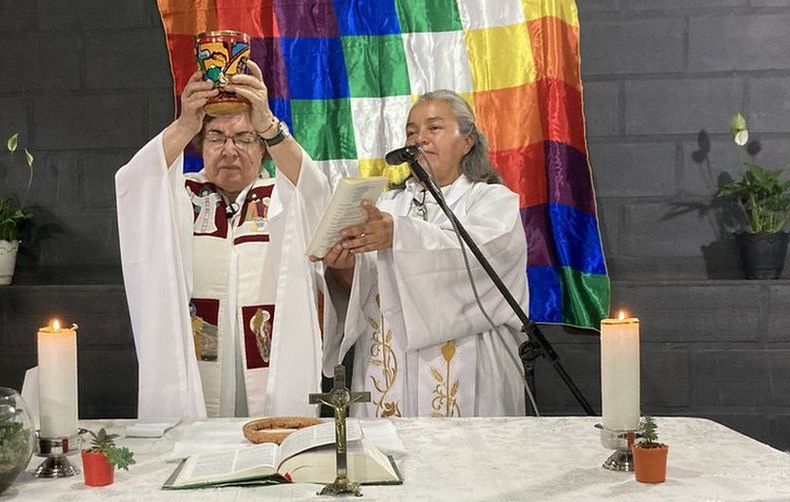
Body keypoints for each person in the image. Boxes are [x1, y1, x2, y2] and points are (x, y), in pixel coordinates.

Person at [116, 60, 331, 418]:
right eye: (216, 137)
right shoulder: (183, 195)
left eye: (245, 138)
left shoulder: (280, 196)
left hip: (269, 367)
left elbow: (315, 192)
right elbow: (134, 185)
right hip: (200, 372)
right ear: (200, 145)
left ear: (263, 148)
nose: (229, 150)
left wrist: (267, 122)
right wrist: (185, 123)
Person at [314, 90, 529, 417]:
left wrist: (399, 235)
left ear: (467, 141)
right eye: (411, 131)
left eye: (434, 128)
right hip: (388, 375)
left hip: (472, 371)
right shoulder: (384, 207)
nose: (419, 139)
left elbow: (479, 259)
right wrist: (343, 268)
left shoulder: (493, 203)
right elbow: (361, 289)